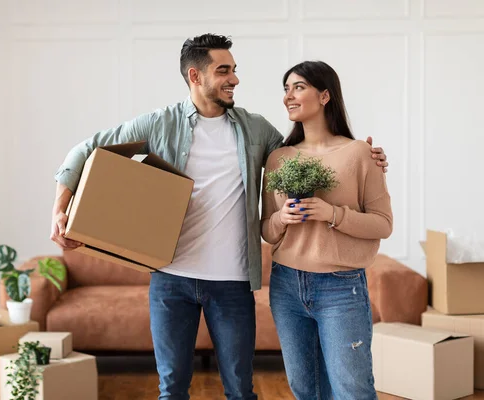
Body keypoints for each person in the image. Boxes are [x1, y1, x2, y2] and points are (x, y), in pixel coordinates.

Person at [50, 34, 389, 400]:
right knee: (171, 389)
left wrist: (367, 155)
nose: (235, 79)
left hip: (231, 284)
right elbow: (87, 149)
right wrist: (59, 208)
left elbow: (307, 153)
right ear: (196, 76)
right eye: (223, 70)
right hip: (171, 279)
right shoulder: (159, 124)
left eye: (235, 70)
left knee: (241, 392)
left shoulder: (256, 130)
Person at [261, 60, 393, 400]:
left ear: (325, 95)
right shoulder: (277, 159)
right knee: (306, 389)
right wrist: (282, 219)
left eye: (298, 87)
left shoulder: (360, 154)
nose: (289, 96)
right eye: (286, 89)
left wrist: (333, 213)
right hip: (286, 285)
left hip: (340, 287)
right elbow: (267, 231)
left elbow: (383, 224)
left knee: (352, 390)